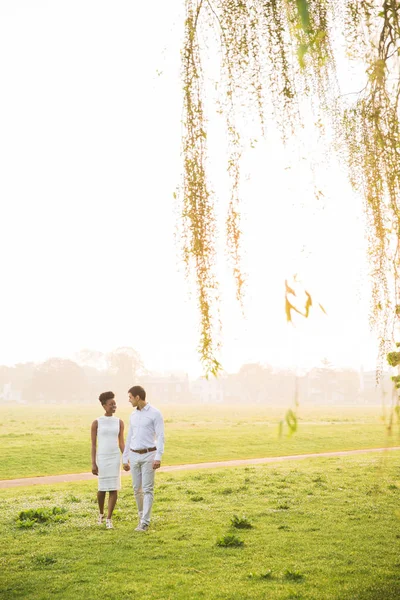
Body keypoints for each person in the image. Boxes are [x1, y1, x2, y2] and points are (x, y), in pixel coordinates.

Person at [122, 385, 165, 532]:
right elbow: (129, 437)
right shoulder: (133, 415)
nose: (129, 400)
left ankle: (145, 522)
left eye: (130, 397)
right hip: (134, 455)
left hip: (149, 455)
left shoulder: (155, 413)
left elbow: (160, 436)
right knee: (136, 489)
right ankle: (141, 517)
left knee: (147, 489)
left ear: (137, 397)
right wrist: (125, 457)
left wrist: (158, 456)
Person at [91, 391, 125, 529]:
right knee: (102, 489)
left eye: (115, 404)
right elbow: (93, 445)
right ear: (104, 406)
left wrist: (126, 458)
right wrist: (93, 463)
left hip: (115, 457)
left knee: (114, 489)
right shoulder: (96, 423)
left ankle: (109, 519)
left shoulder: (119, 422)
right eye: (111, 404)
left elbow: (121, 442)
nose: (114, 406)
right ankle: (101, 513)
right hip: (102, 457)